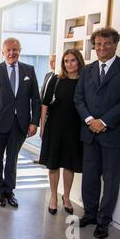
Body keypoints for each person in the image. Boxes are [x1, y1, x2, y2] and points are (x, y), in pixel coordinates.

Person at [74, 27, 120, 239]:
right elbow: (79, 98)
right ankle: (90, 214)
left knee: (111, 179)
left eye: (107, 44)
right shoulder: (87, 70)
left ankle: (104, 221)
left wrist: (104, 121)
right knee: (90, 178)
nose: (101, 48)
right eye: (98, 44)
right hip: (89, 132)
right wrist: (89, 120)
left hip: (115, 133)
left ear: (115, 45)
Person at [0, 37, 41, 208]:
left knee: (12, 159)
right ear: (3, 52)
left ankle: (9, 190)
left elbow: (35, 99)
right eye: (8, 50)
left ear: (20, 51)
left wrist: (34, 122)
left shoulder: (29, 70)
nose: (12, 53)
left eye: (15, 49)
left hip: (20, 124)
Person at [39, 49, 85, 215]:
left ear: (79, 62)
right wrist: (42, 126)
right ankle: (53, 197)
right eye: (66, 61)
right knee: (53, 163)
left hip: (75, 127)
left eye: (73, 60)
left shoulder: (84, 81)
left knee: (69, 164)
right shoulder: (56, 80)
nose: (69, 64)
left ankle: (66, 197)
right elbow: (44, 103)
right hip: (55, 126)